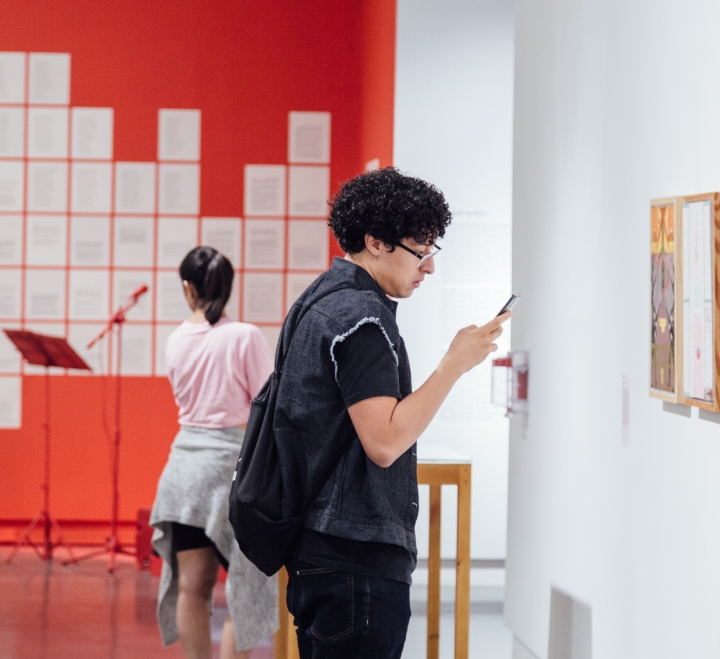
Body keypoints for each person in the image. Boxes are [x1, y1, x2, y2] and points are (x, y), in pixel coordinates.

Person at [276, 167, 510, 658]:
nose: (428, 268)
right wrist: (453, 364)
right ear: (376, 242)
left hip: (320, 548)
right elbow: (383, 442)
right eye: (420, 252)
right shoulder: (361, 317)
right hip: (354, 561)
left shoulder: (318, 300)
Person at [150, 247, 278, 659]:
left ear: (188, 287)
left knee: (192, 585)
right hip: (231, 470)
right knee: (245, 586)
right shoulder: (244, 336)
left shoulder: (175, 340)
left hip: (184, 470)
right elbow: (266, 404)